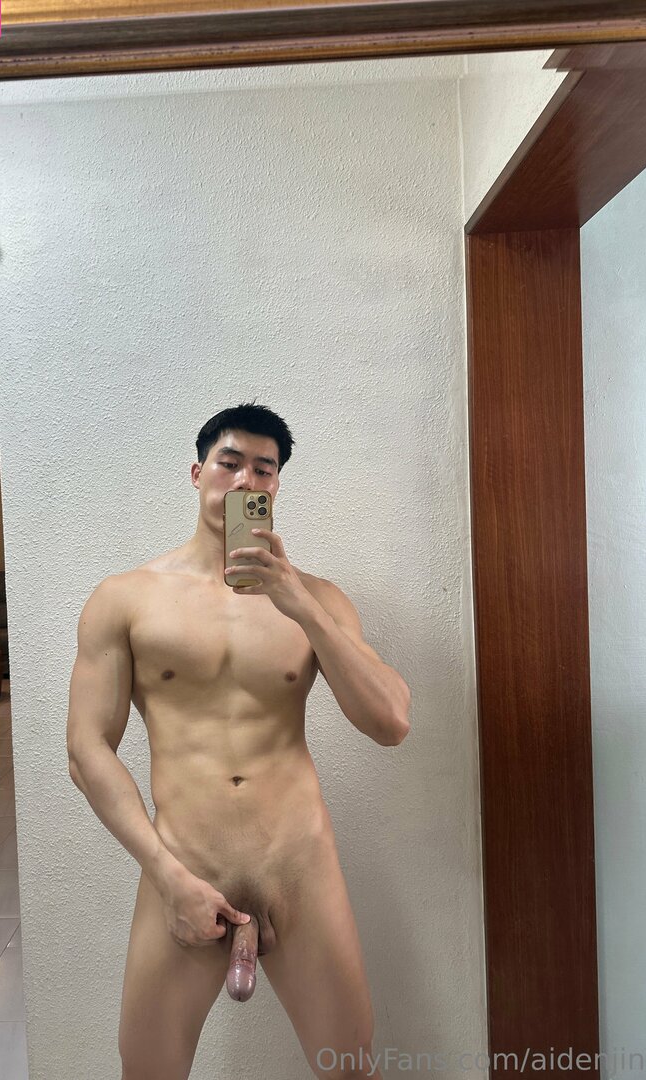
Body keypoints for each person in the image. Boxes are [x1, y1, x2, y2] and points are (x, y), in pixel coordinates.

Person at [66, 402, 411, 1080]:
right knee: (148, 1071)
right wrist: (166, 875)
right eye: (230, 463)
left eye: (264, 469)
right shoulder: (127, 598)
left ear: (277, 486)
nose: (246, 480)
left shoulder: (318, 599)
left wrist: (298, 603)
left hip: (299, 865)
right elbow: (85, 750)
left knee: (350, 1067)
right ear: (198, 473)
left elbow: (391, 722)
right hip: (185, 863)